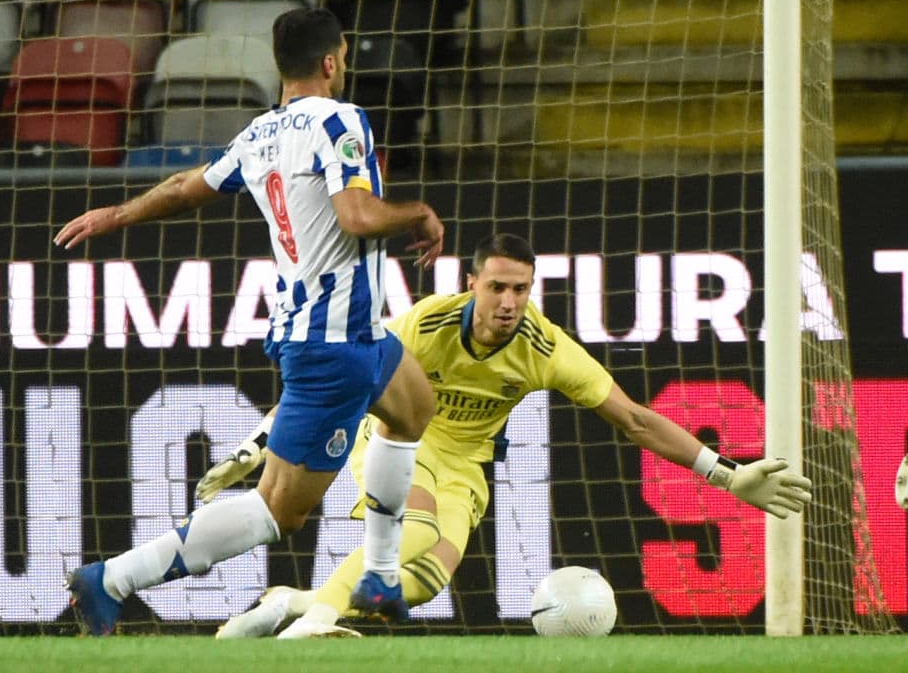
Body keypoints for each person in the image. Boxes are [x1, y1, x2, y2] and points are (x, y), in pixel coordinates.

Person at [199, 233, 814, 639]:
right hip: (393, 440)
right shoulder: (424, 323)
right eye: (497, 287)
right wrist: (252, 449)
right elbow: (331, 381)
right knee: (412, 529)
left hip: (465, 464)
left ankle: (292, 602)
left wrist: (728, 474)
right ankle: (320, 623)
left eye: (520, 289)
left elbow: (634, 419)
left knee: (429, 577)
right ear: (472, 284)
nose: (508, 301)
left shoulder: (544, 347)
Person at [53, 7, 444, 637]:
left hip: (362, 333)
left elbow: (185, 186)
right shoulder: (343, 119)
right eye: (342, 55)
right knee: (277, 512)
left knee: (413, 408)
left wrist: (116, 214)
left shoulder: (261, 134)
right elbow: (356, 216)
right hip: (330, 343)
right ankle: (114, 578)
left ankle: (379, 575)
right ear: (331, 61)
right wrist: (420, 213)